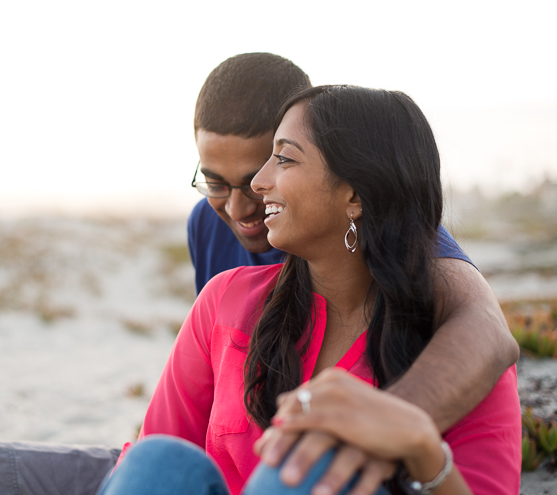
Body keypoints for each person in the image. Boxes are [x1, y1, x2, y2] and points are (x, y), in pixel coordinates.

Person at [0, 54, 518, 495]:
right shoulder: (221, 271)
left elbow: (487, 331)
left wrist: (404, 430)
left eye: (273, 164)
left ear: (355, 191)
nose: (245, 202)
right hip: (209, 474)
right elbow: (180, 432)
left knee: (291, 476)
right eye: (217, 183)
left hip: (317, 475)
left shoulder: (417, 268)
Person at [99, 85, 521, 495]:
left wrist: (422, 446)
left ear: (354, 194)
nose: (259, 182)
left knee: (302, 471)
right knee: (158, 460)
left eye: (283, 159)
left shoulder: (453, 356)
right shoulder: (223, 301)